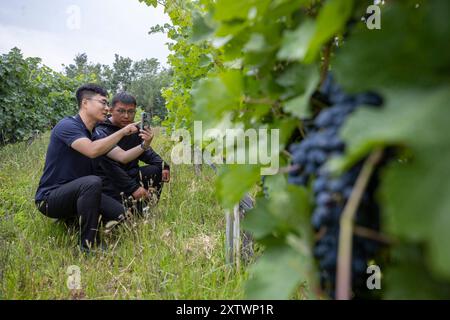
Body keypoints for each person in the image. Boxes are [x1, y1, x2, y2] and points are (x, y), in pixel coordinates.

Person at [34, 84, 153, 252]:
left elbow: (123, 157)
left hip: (82, 193)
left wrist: (145, 144)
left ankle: (72, 220)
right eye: (103, 103)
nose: (107, 108)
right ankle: (88, 246)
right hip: (50, 198)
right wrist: (122, 132)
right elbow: (91, 150)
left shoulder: (95, 134)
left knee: (124, 216)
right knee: (92, 182)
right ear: (85, 103)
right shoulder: (67, 126)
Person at [93, 92, 170, 211]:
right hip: (110, 181)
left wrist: (164, 165)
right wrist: (133, 188)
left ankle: (147, 210)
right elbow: (111, 169)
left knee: (157, 169)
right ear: (111, 110)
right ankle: (131, 209)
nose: (126, 116)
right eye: (121, 111)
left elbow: (146, 152)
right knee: (120, 214)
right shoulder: (100, 131)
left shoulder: (134, 129)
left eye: (131, 112)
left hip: (130, 174)